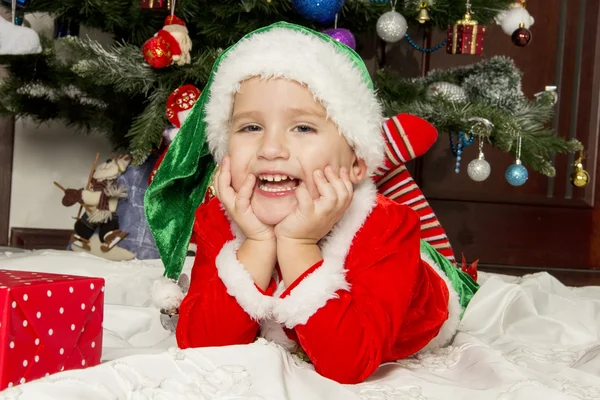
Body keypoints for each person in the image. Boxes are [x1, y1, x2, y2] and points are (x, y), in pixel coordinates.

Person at [145, 21, 478, 384]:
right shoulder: (219, 217)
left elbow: (349, 364)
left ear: (355, 163)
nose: (271, 149)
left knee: (432, 273)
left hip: (417, 298)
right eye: (250, 128)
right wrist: (257, 243)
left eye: (303, 128)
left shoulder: (386, 225)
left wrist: (297, 245)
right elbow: (201, 345)